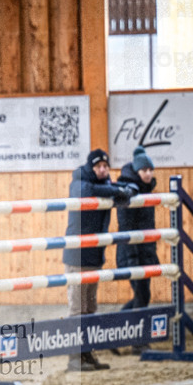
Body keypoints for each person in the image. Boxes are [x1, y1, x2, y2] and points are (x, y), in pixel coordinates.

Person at [62, 148, 136, 372]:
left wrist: (117, 190)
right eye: (99, 167)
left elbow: (127, 195)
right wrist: (116, 190)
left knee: (89, 307)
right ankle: (74, 358)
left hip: (94, 255)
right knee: (77, 308)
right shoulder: (80, 180)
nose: (103, 170)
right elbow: (86, 192)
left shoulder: (103, 184)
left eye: (105, 166)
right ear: (91, 167)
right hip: (77, 254)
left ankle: (87, 355)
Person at [115, 146, 157, 354]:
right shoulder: (128, 191)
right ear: (137, 171)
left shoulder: (146, 190)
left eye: (150, 170)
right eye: (144, 170)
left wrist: (151, 255)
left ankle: (115, 332)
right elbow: (126, 227)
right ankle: (137, 341)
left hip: (145, 251)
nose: (148, 173)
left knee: (143, 294)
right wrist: (131, 258)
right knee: (141, 295)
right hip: (131, 251)